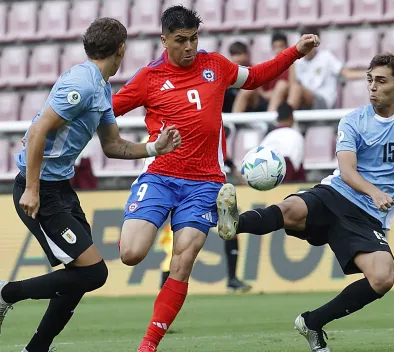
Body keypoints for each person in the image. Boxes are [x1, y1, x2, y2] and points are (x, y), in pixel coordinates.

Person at [216, 52, 394, 351]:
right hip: (336, 195)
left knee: (382, 277)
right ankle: (235, 222)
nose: (372, 87)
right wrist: (373, 191)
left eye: (381, 81)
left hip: (367, 218)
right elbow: (347, 171)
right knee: (291, 209)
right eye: (370, 80)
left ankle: (312, 322)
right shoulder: (354, 120)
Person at [111, 5, 319, 351]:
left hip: (205, 182)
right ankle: (223, 219)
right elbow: (107, 110)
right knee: (131, 253)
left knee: (183, 258)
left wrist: (294, 52)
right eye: (181, 40)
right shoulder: (148, 78)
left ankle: (148, 344)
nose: (190, 46)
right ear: (164, 41)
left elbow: (254, 77)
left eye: (194, 38)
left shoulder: (215, 65)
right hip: (160, 175)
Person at [0, 18, 181, 352]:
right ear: (121, 49)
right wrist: (33, 189)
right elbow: (39, 131)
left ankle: (36, 348)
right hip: (40, 188)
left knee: (80, 276)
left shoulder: (100, 87)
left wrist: (155, 147)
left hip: (60, 188)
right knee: (94, 273)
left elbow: (113, 146)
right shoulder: (83, 85)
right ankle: (6, 294)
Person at [260, 102, 306, 182]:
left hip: (265, 183)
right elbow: (295, 168)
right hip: (289, 184)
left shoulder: (269, 137)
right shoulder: (296, 136)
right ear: (292, 117)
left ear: (278, 118)